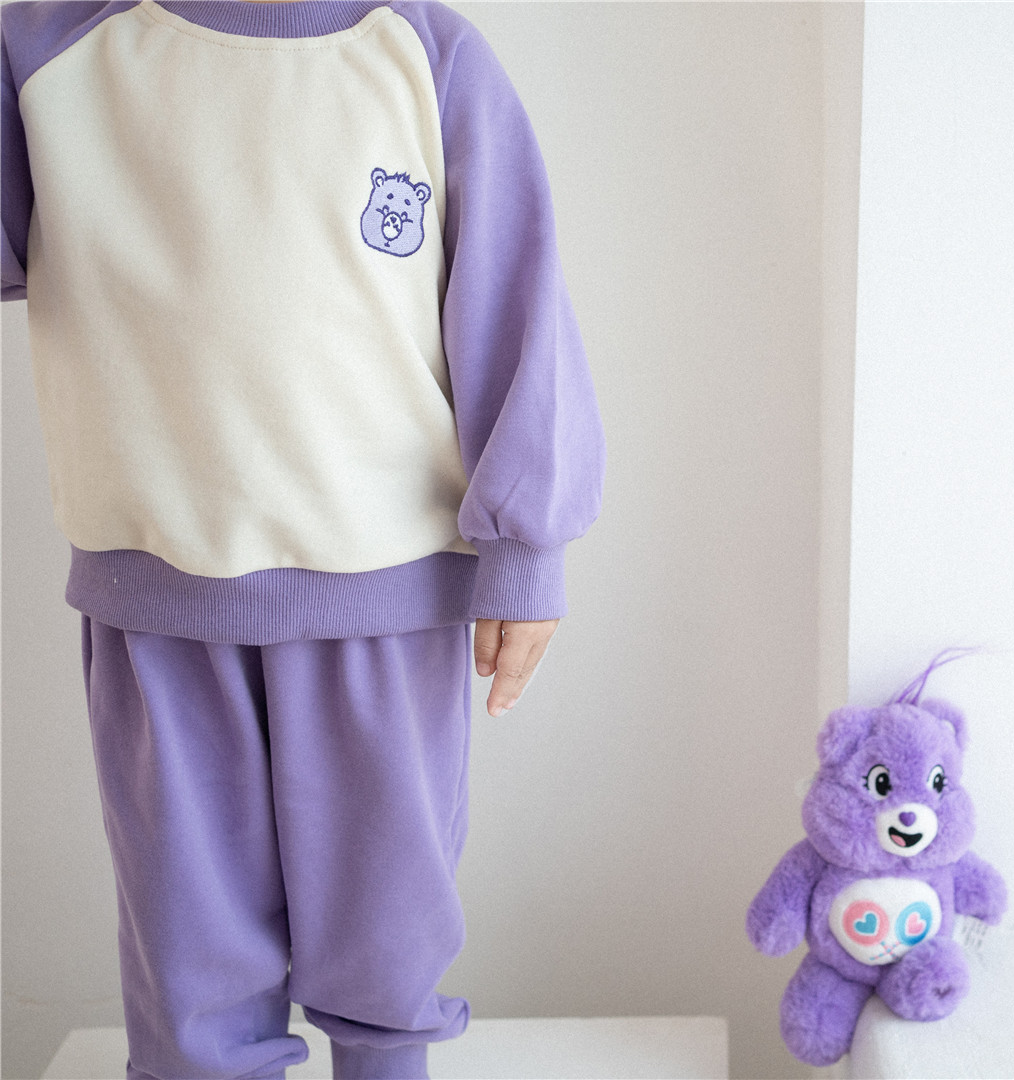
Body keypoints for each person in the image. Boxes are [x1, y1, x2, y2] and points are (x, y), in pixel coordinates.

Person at [0, 1, 605, 1078]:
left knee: (388, 938)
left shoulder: (425, 54)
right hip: (157, 597)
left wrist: (528, 547)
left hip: (387, 593)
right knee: (191, 962)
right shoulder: (49, 54)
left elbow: (515, 298)